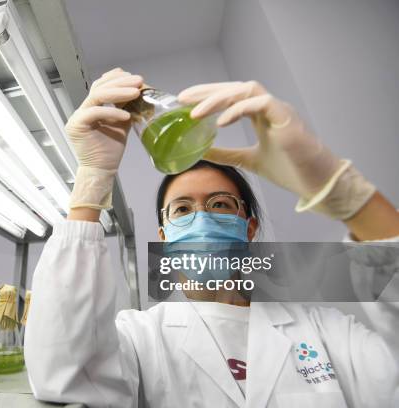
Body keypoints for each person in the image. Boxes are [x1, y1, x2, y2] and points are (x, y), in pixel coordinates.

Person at [25, 68, 399, 407]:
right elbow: (62, 375)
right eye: (183, 210)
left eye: (220, 205)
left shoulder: (326, 330)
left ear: (249, 228)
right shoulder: (139, 336)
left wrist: (345, 192)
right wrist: (91, 179)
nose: (201, 219)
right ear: (165, 236)